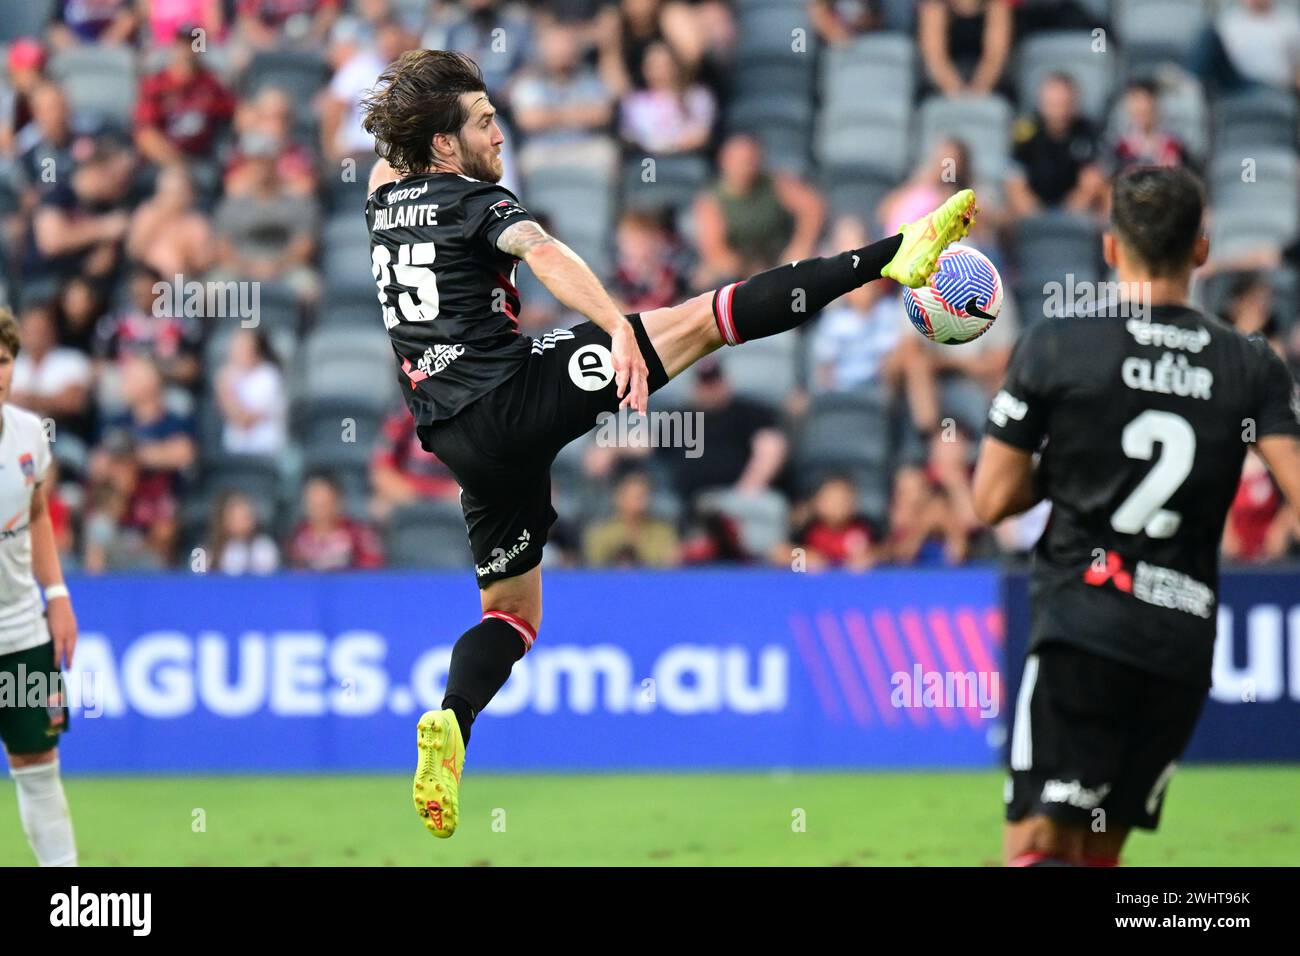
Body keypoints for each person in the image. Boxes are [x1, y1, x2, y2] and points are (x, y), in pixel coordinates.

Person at [360, 49, 976, 838]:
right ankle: (894, 254)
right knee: (703, 319)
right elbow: (544, 253)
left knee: (511, 614)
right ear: (444, 148)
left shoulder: (382, 201)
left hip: (455, 439)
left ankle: (453, 719)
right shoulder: (481, 201)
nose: (499, 133)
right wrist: (617, 328)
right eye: (483, 122)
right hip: (514, 394)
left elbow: (392, 156)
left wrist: (420, 100)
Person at [973, 165, 1300, 866]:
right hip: (1178, 644)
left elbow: (992, 499)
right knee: (1097, 856)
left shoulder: (1058, 346)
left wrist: (1064, 466)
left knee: (1037, 843)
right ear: (1202, 249)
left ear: (1111, 248)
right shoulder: (1251, 365)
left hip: (1081, 626)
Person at [0, 308, 80, 866]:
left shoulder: (30, 434)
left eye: (3, 360)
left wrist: (58, 598)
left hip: (23, 629)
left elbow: (36, 514)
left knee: (38, 766)